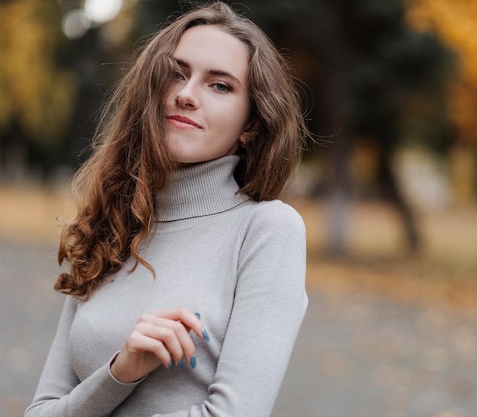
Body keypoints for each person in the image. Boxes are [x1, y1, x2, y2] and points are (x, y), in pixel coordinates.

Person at [24, 2, 308, 417]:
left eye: (220, 86)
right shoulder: (113, 224)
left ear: (250, 125)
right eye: (176, 74)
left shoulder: (267, 230)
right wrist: (120, 371)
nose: (185, 95)